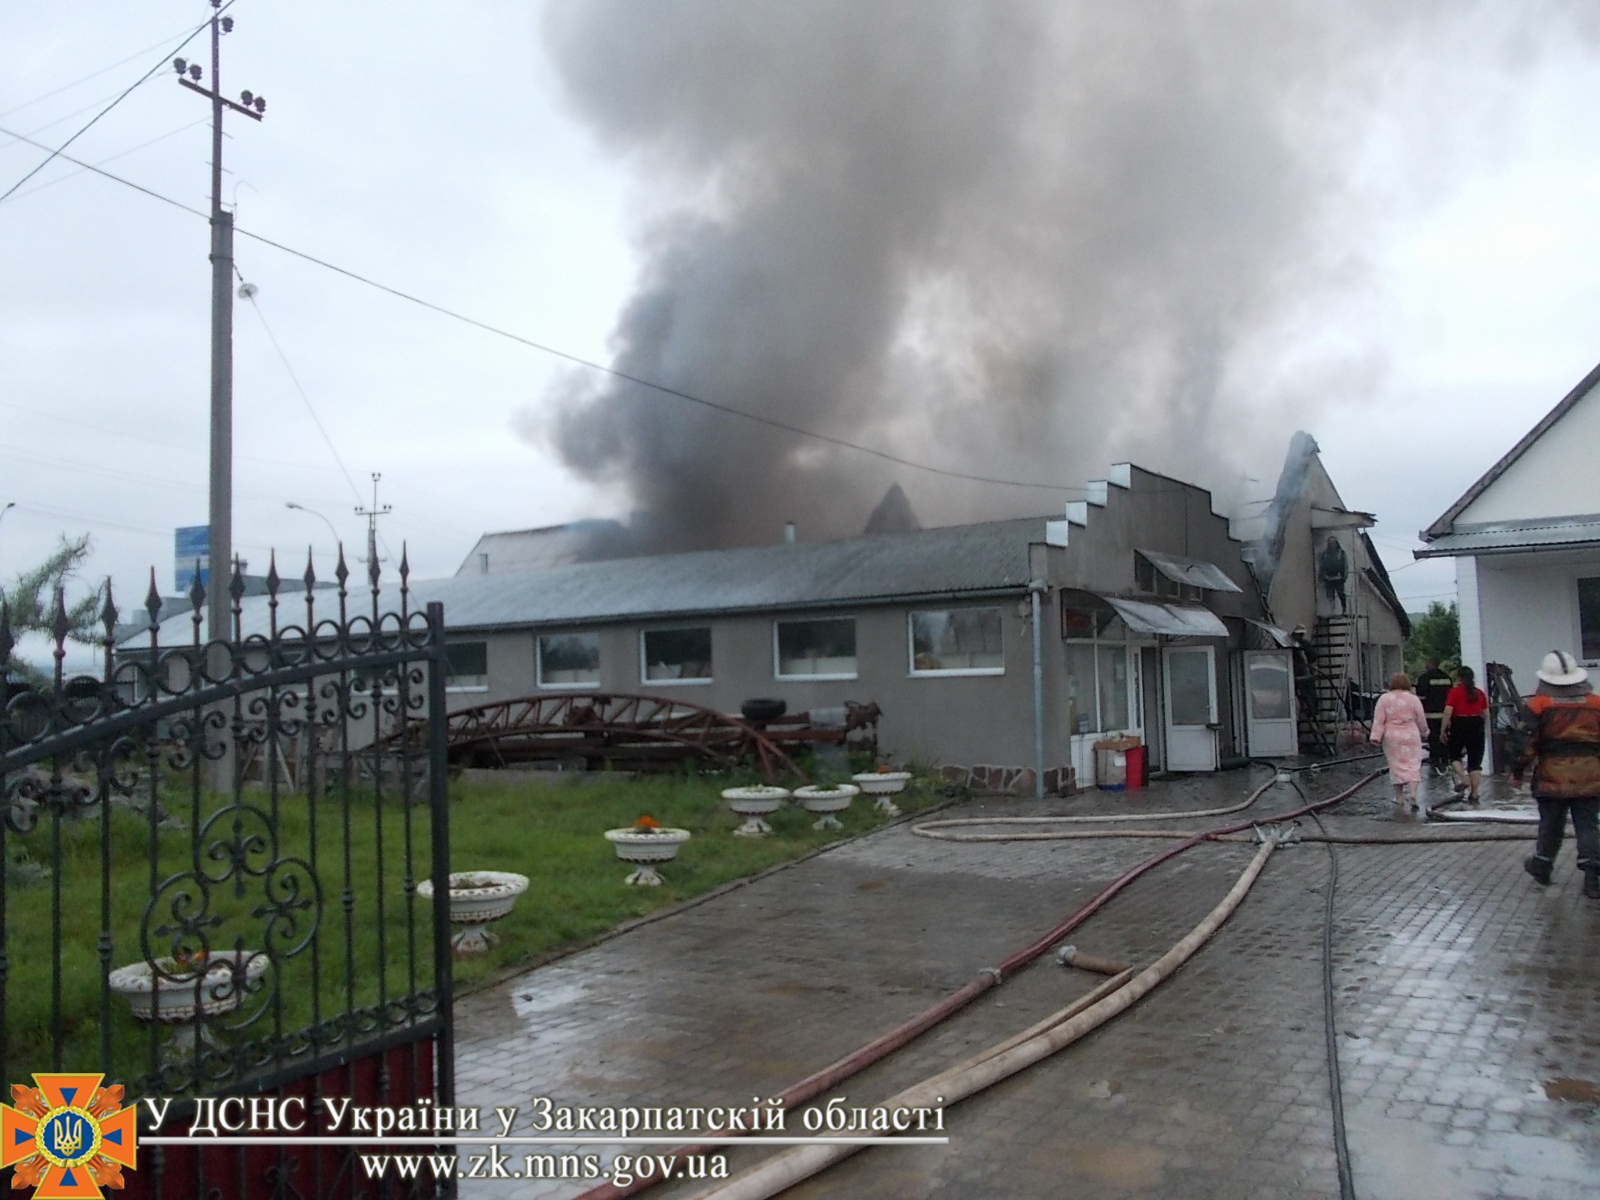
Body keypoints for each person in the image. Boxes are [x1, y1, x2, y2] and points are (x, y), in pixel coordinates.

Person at [1512, 651, 1600, 897]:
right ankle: (1593, 877)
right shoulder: (1596, 703)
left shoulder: (1537, 705)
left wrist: (1517, 770)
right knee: (1588, 824)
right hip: (1591, 776)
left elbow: (1525, 744)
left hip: (1552, 774)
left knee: (1551, 822)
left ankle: (1542, 863)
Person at [1370, 672, 1430, 816]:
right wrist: (1425, 732)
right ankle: (1414, 793)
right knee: (1413, 764)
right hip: (1411, 733)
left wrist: (1375, 737)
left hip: (1392, 735)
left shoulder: (1384, 699)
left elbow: (1379, 719)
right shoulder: (1413, 699)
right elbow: (1421, 718)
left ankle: (1399, 797)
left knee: (1395, 765)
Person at [1440, 665, 1488, 805]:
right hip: (1477, 724)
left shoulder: (1454, 692)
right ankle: (1474, 793)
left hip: (1459, 724)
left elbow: (1448, 711)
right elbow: (1486, 714)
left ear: (1459, 678)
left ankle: (1463, 778)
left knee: (1454, 754)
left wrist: (1443, 730)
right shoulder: (1479, 693)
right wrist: (1480, 725)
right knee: (1475, 761)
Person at [1415, 657, 1453, 775]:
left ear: (1430, 664)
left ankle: (1435, 759)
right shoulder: (1446, 678)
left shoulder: (1424, 678)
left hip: (1430, 714)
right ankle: (1445, 758)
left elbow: (1420, 695)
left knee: (1433, 738)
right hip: (1444, 714)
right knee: (1444, 736)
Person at [1318, 535, 1348, 614]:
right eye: (1330, 543)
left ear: (1336, 543)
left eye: (1333, 542)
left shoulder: (1341, 553)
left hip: (1339, 578)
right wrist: (1322, 576)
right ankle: (1331, 611)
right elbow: (1322, 566)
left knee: (1341, 595)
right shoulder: (1325, 554)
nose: (1331, 544)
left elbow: (1345, 565)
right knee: (1330, 596)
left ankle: (1344, 609)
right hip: (1328, 578)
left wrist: (1344, 577)